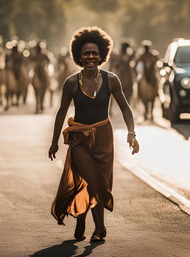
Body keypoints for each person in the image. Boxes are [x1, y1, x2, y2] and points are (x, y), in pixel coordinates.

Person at [48, 27, 139, 242]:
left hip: (104, 138)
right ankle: (100, 228)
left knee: (99, 182)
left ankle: (81, 218)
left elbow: (125, 108)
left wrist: (132, 133)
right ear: (79, 55)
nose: (90, 57)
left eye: (94, 53)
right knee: (94, 181)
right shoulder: (71, 82)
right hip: (80, 139)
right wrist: (54, 142)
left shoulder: (112, 80)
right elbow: (62, 111)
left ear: (102, 55)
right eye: (86, 53)